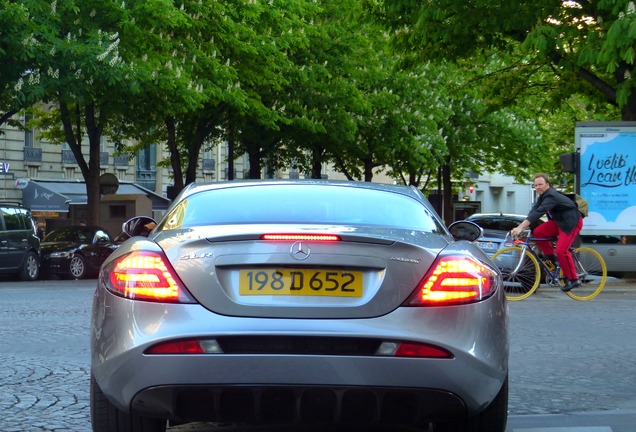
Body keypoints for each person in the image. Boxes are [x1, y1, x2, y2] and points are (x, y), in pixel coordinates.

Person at [510, 173, 583, 292]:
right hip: (559, 222)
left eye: (540, 184)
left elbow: (539, 212)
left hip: (571, 223)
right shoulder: (543, 196)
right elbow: (534, 210)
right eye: (535, 185)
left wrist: (521, 228)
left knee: (561, 250)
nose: (537, 187)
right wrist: (521, 225)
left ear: (547, 185)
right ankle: (552, 261)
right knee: (538, 233)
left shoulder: (552, 196)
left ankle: (574, 279)